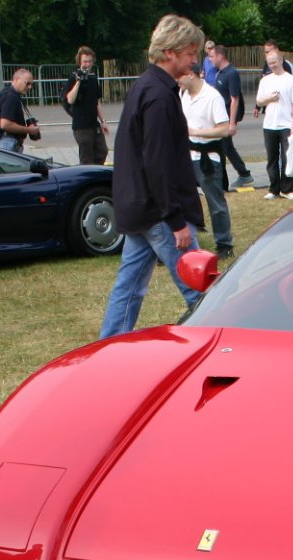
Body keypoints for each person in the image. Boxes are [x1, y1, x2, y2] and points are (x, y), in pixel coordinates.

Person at [99, 14, 205, 339]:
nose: (195, 59)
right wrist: (175, 220)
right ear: (170, 52)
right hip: (159, 212)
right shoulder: (158, 95)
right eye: (190, 53)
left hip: (140, 208)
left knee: (129, 287)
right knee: (200, 290)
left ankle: (109, 347)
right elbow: (158, 163)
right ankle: (220, 348)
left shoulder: (148, 86)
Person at [179, 65, 233, 258]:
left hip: (208, 158)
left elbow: (224, 129)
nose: (178, 80)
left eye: (181, 77)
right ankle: (186, 241)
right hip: (187, 155)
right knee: (182, 200)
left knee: (215, 202)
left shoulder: (212, 97)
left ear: (191, 74)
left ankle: (224, 244)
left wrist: (196, 132)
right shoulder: (183, 94)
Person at [256, 50, 293, 200]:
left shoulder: (291, 80)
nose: (272, 66)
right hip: (269, 124)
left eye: (274, 63)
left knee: (288, 157)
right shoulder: (265, 80)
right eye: (269, 64)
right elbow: (259, 101)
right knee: (272, 158)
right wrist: (269, 99)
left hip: (286, 124)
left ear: (281, 60)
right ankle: (274, 189)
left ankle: (287, 189)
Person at [212, 45, 253, 189]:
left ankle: (231, 179)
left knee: (224, 148)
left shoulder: (231, 73)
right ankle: (243, 174)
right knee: (227, 148)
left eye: (212, 56)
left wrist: (232, 122)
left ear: (220, 56)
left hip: (227, 118)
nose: (210, 59)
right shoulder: (220, 73)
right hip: (220, 117)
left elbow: (234, 99)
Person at [62, 46, 110, 165]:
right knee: (86, 157)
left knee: (102, 151)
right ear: (80, 62)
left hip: (94, 124)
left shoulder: (93, 78)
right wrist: (78, 82)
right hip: (81, 126)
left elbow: (97, 102)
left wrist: (103, 121)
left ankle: (96, 173)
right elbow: (70, 99)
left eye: (89, 61)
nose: (87, 64)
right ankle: (88, 178)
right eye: (85, 61)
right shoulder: (73, 77)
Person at [0, 68, 40, 153]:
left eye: (31, 84)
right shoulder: (11, 97)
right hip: (8, 143)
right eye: (27, 83)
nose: (30, 87)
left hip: (7, 142)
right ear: (17, 80)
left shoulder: (7, 93)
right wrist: (29, 130)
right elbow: (5, 124)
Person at [253, 40, 293, 119]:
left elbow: (290, 87)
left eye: (269, 51)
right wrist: (257, 106)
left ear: (277, 50)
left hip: (282, 107)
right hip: (269, 106)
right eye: (266, 52)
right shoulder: (266, 65)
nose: (268, 54)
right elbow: (263, 87)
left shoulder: (286, 66)